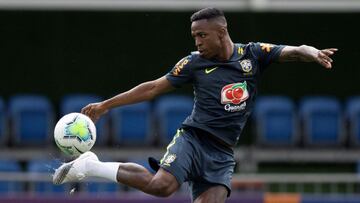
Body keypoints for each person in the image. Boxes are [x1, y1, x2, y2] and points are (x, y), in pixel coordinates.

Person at [53, 7, 337, 203]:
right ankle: (91, 166)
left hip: (223, 153)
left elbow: (293, 51)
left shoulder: (252, 54)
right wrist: (105, 105)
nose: (197, 42)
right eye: (194, 37)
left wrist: (312, 53)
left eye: (202, 35)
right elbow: (152, 88)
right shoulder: (193, 63)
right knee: (162, 186)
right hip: (194, 139)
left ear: (221, 32)